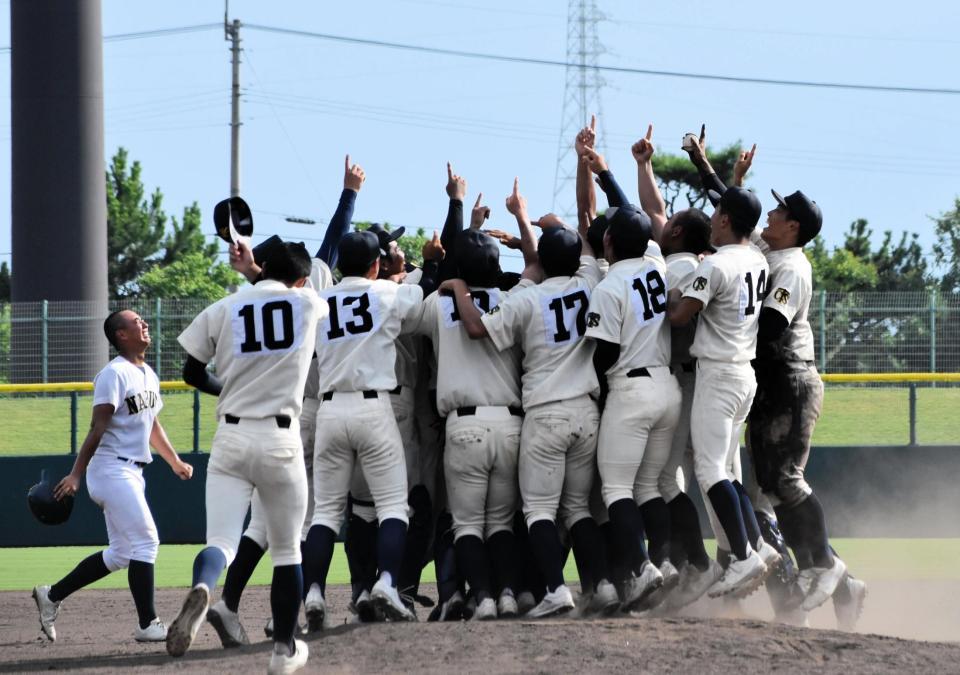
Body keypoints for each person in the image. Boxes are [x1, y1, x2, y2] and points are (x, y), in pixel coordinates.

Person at [691, 138, 866, 628]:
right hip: (767, 382)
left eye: (779, 211)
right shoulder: (770, 248)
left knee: (781, 481)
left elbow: (771, 325)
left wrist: (722, 311)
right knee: (766, 487)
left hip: (791, 378)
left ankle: (827, 566)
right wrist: (707, 167)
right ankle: (835, 582)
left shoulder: (792, 265)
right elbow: (732, 211)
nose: (769, 214)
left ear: (794, 227)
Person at [206, 155, 366, 642]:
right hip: (311, 413)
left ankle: (230, 602)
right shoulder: (313, 286)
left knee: (262, 525)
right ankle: (286, 615)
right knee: (305, 522)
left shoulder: (261, 297)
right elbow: (334, 240)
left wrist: (252, 268)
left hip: (277, 416)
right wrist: (349, 192)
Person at [444, 177, 617, 618]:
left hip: (546, 413)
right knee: (578, 508)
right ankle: (603, 587)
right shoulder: (589, 280)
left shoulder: (525, 299)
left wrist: (461, 289)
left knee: (539, 509)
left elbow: (478, 328)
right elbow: (584, 243)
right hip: (587, 410)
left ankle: (557, 590)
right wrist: (534, 219)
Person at [170, 242, 326, 674]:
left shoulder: (223, 307)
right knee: (286, 552)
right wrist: (260, 270)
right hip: (281, 439)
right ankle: (282, 652)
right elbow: (286, 289)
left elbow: (191, 372)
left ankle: (204, 586)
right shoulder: (308, 302)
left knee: (221, 541)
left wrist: (232, 390)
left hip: (232, 434)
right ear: (299, 279)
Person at [300, 229, 443, 624]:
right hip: (374, 408)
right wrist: (429, 261)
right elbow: (425, 289)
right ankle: (386, 583)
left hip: (328, 410)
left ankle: (313, 593)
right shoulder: (385, 293)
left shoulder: (318, 300)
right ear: (376, 264)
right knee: (394, 505)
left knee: (326, 514)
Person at [32, 310, 193, 643]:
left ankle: (51, 594)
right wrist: (76, 474)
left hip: (133, 472)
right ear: (121, 335)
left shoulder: (147, 373)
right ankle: (148, 623)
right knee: (147, 541)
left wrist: (174, 460)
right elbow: (98, 427)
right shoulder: (113, 374)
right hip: (110, 470)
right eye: (137, 322)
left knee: (121, 553)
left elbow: (153, 425)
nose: (145, 324)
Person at [579, 150, 682, 611]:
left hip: (632, 390)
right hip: (668, 389)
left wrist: (593, 386)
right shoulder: (657, 263)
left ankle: (641, 571)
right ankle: (665, 562)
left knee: (617, 489)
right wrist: (605, 173)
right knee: (649, 486)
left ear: (607, 245)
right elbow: (634, 218)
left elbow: (604, 351)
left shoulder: (608, 285)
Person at [423, 194, 535, 620]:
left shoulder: (438, 302)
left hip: (464, 426)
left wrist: (444, 275)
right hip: (510, 425)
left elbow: (412, 317)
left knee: (468, 525)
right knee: (503, 524)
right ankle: (508, 594)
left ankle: (483, 598)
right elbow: (535, 266)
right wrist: (521, 221)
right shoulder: (516, 299)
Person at [667, 184, 779, 599]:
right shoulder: (756, 258)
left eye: (716, 214)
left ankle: (745, 556)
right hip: (743, 373)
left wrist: (673, 289)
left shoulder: (716, 265)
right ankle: (758, 545)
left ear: (727, 219)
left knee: (710, 470)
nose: (711, 220)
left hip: (718, 374)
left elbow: (679, 317)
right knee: (728, 472)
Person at [629, 124, 718, 608]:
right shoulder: (686, 259)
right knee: (669, 478)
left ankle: (693, 566)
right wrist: (643, 165)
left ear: (677, 234)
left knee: (662, 480)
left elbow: (655, 214)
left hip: (685, 379)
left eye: (669, 224)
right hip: (687, 380)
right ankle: (686, 565)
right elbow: (655, 210)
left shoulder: (681, 269)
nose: (659, 223)